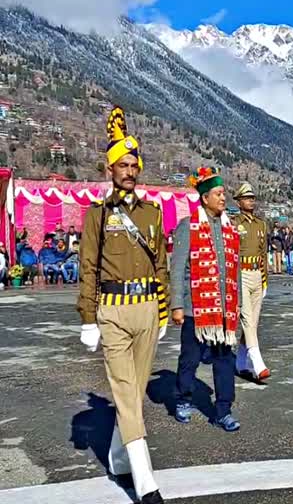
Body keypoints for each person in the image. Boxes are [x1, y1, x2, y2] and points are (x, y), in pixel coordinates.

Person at [77, 107, 168, 504]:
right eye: (122, 165)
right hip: (112, 310)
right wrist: (88, 317)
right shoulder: (98, 215)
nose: (129, 170)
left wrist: (163, 310)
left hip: (147, 307)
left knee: (135, 391)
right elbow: (88, 267)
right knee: (126, 390)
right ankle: (145, 480)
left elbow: (160, 263)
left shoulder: (152, 213)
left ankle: (117, 454)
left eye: (134, 164)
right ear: (110, 169)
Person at [172, 166, 242, 432]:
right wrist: (177, 305)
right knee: (189, 358)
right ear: (204, 198)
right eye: (218, 193)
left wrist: (239, 307)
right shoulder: (187, 227)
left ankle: (223, 409)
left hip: (224, 310)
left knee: (225, 360)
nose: (224, 198)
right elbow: (177, 269)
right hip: (195, 309)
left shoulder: (230, 229)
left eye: (224, 193)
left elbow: (234, 269)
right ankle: (184, 398)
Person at [231, 182, 271, 380]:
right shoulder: (233, 223)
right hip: (241, 274)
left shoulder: (261, 224)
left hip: (257, 274)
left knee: (253, 323)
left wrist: (265, 279)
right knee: (247, 318)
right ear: (238, 202)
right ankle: (257, 362)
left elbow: (263, 253)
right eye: (247, 198)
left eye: (252, 198)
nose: (251, 201)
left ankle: (239, 362)